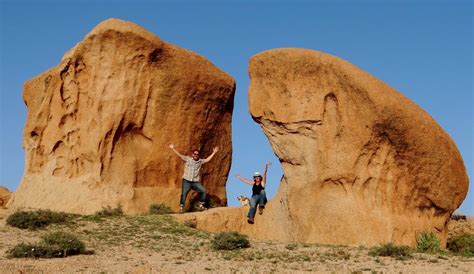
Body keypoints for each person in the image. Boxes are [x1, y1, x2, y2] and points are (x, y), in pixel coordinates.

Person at [169, 144, 218, 213]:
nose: (195, 155)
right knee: (184, 193)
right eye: (194, 154)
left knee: (203, 190)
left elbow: (207, 160)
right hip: (186, 180)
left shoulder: (200, 161)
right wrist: (173, 149)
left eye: (197, 154)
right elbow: (180, 155)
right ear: (192, 154)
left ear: (198, 155)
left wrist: (214, 152)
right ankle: (181, 207)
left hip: (195, 181)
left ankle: (201, 205)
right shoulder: (188, 159)